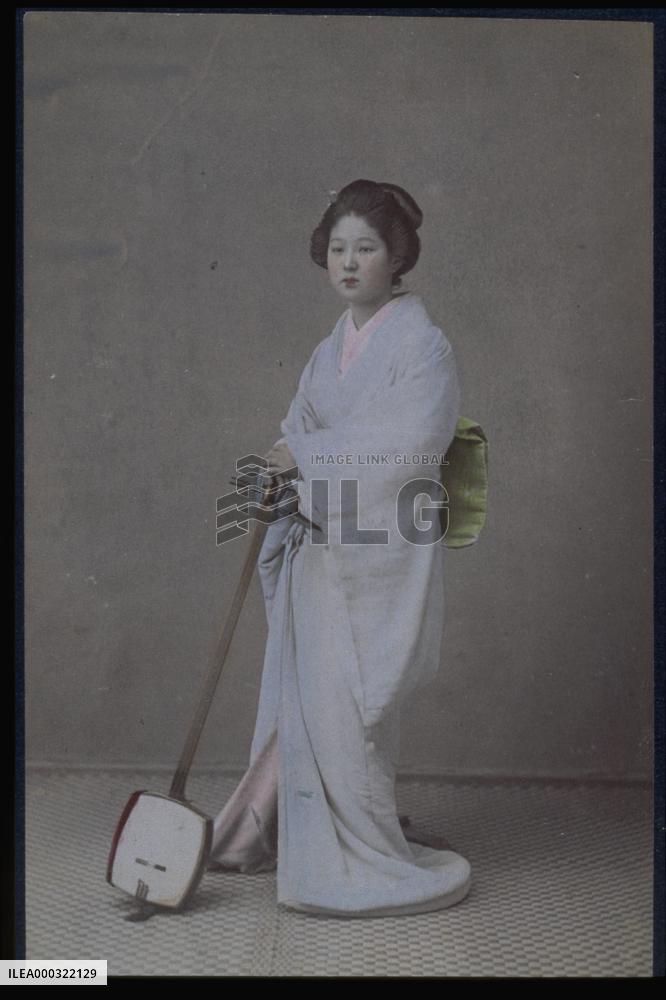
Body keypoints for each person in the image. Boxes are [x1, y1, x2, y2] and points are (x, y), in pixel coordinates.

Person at [208, 179, 471, 917]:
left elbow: (412, 444)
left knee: (352, 711)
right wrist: (281, 462)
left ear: (398, 258)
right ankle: (309, 830)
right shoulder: (331, 349)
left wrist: (308, 457)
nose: (349, 263)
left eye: (366, 249)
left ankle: (362, 846)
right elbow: (300, 423)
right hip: (319, 550)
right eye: (338, 250)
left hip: (376, 553)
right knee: (311, 700)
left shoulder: (424, 346)